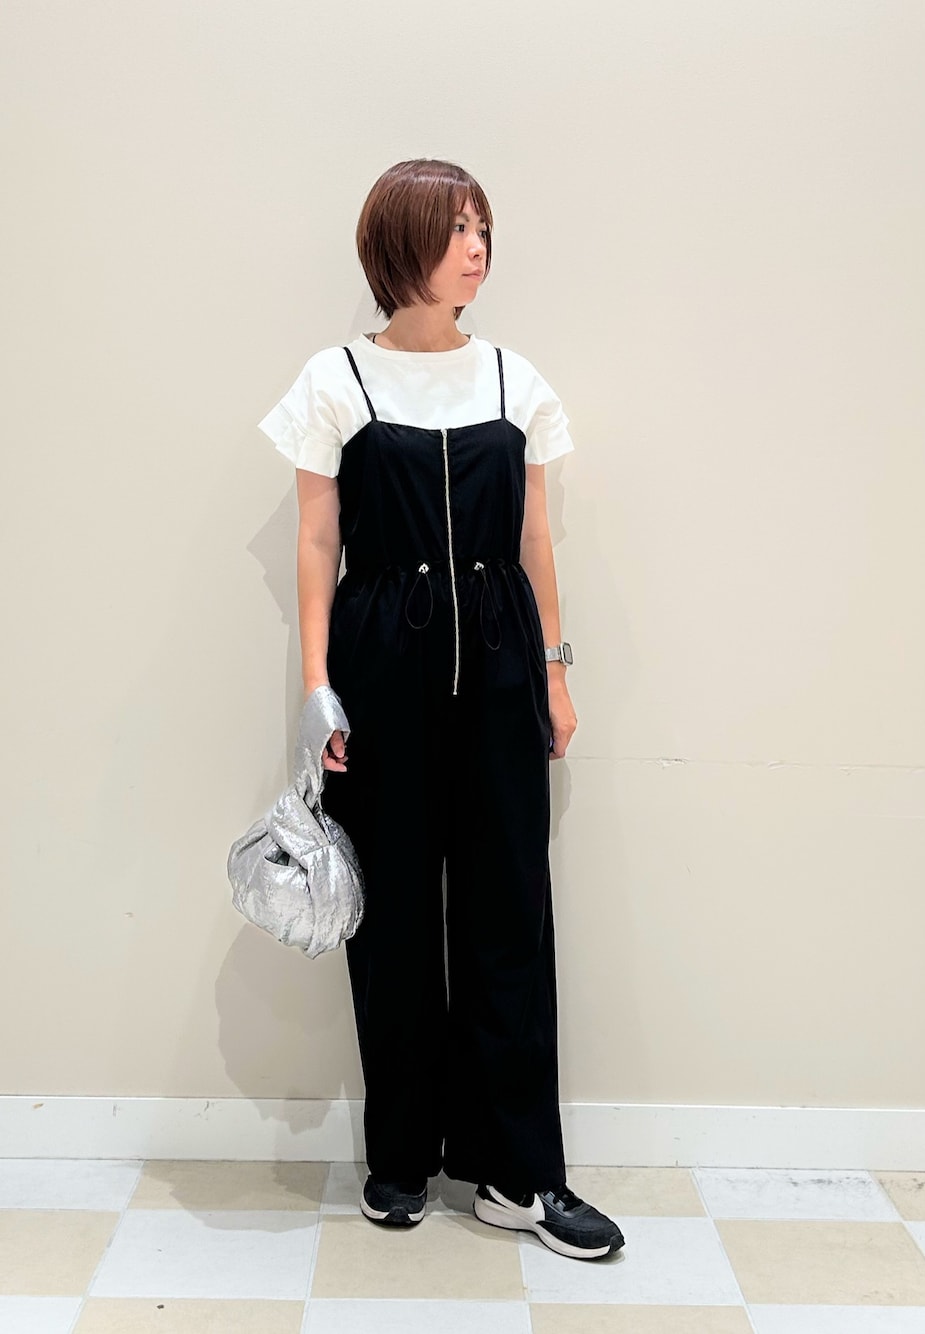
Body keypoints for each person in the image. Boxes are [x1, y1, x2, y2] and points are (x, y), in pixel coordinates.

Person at [257, 158, 625, 1261]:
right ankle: (400, 1156)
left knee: (511, 910)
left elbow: (535, 536)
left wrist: (555, 671)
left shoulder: (515, 377)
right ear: (399, 245)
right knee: (398, 919)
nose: (477, 249)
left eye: (482, 229)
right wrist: (317, 680)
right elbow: (317, 539)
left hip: (503, 662)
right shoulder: (335, 380)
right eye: (456, 228)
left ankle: (519, 1173)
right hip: (380, 665)